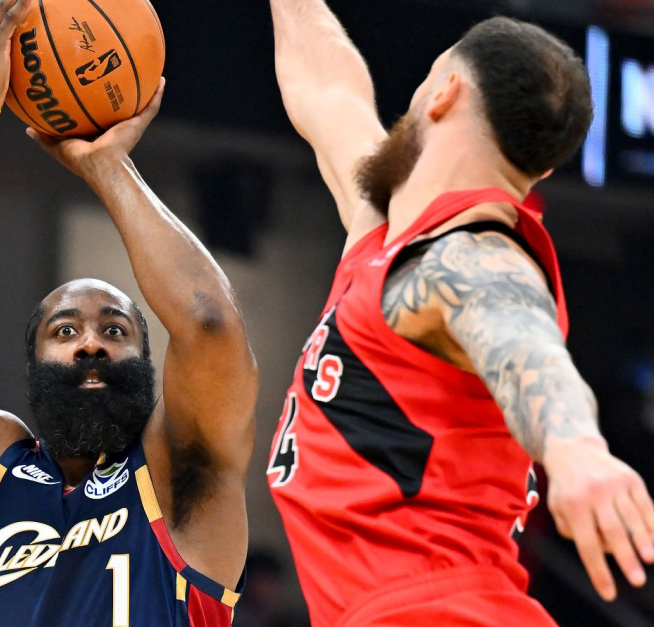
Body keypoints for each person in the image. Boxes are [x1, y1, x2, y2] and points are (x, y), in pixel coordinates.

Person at [266, 4, 654, 626]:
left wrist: (576, 448)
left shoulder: (470, 255)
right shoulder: (389, 233)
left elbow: (524, 342)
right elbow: (328, 89)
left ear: (444, 90)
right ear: (542, 167)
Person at [0, 1, 258, 625]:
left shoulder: (180, 470)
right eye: (65, 331)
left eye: (115, 330)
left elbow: (209, 325)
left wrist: (109, 168)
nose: (91, 343)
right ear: (32, 365)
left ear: (147, 362)